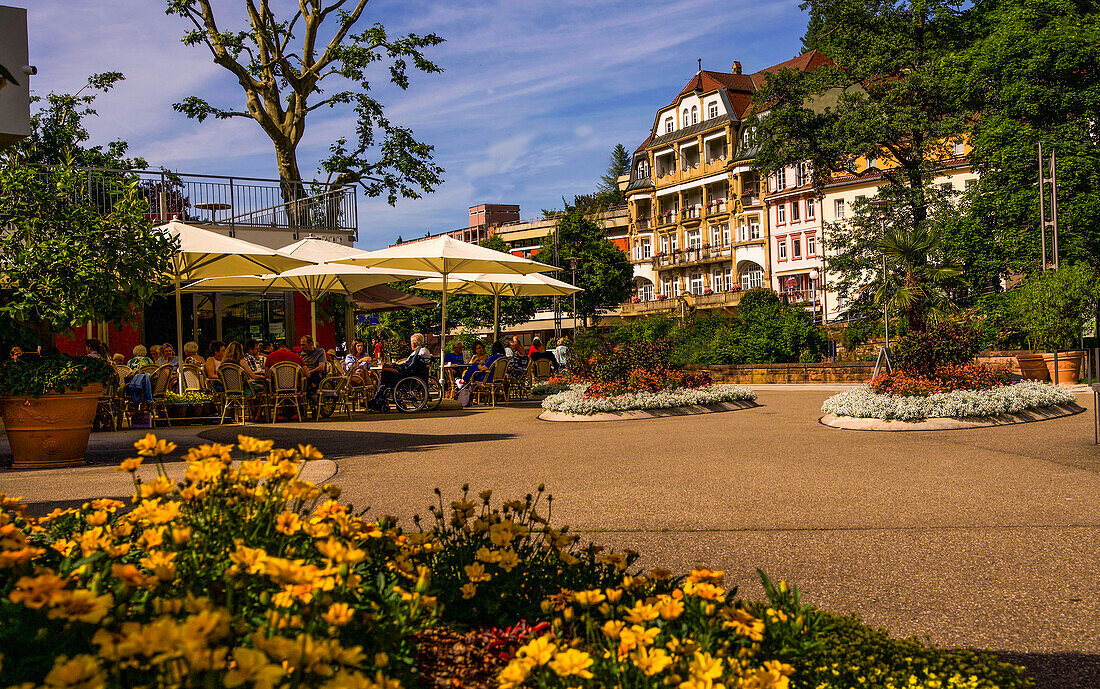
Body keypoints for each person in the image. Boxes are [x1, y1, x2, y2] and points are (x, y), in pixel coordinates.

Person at [371, 333, 431, 411]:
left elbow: (408, 366)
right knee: (386, 371)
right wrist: (394, 364)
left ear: (414, 343)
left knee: (384, 373)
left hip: (406, 375)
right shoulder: (424, 351)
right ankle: (380, 399)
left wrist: (395, 366)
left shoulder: (418, 353)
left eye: (411, 342)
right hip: (415, 374)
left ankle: (378, 400)